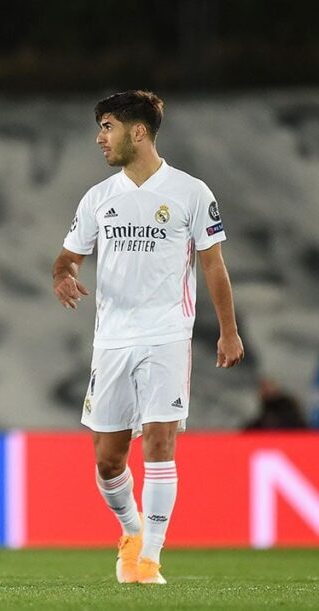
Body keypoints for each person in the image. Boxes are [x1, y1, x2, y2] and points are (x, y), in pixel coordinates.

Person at [52, 90, 243, 585]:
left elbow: (214, 267)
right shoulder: (98, 198)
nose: (100, 137)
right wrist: (63, 273)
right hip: (112, 339)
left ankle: (150, 559)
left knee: (161, 441)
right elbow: (70, 254)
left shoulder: (191, 193)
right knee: (108, 458)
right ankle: (132, 532)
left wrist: (228, 331)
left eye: (108, 126)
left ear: (138, 132)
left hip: (167, 334)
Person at [243, 378, 308, 430]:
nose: (266, 390)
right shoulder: (265, 408)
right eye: (263, 387)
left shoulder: (287, 405)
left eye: (268, 386)